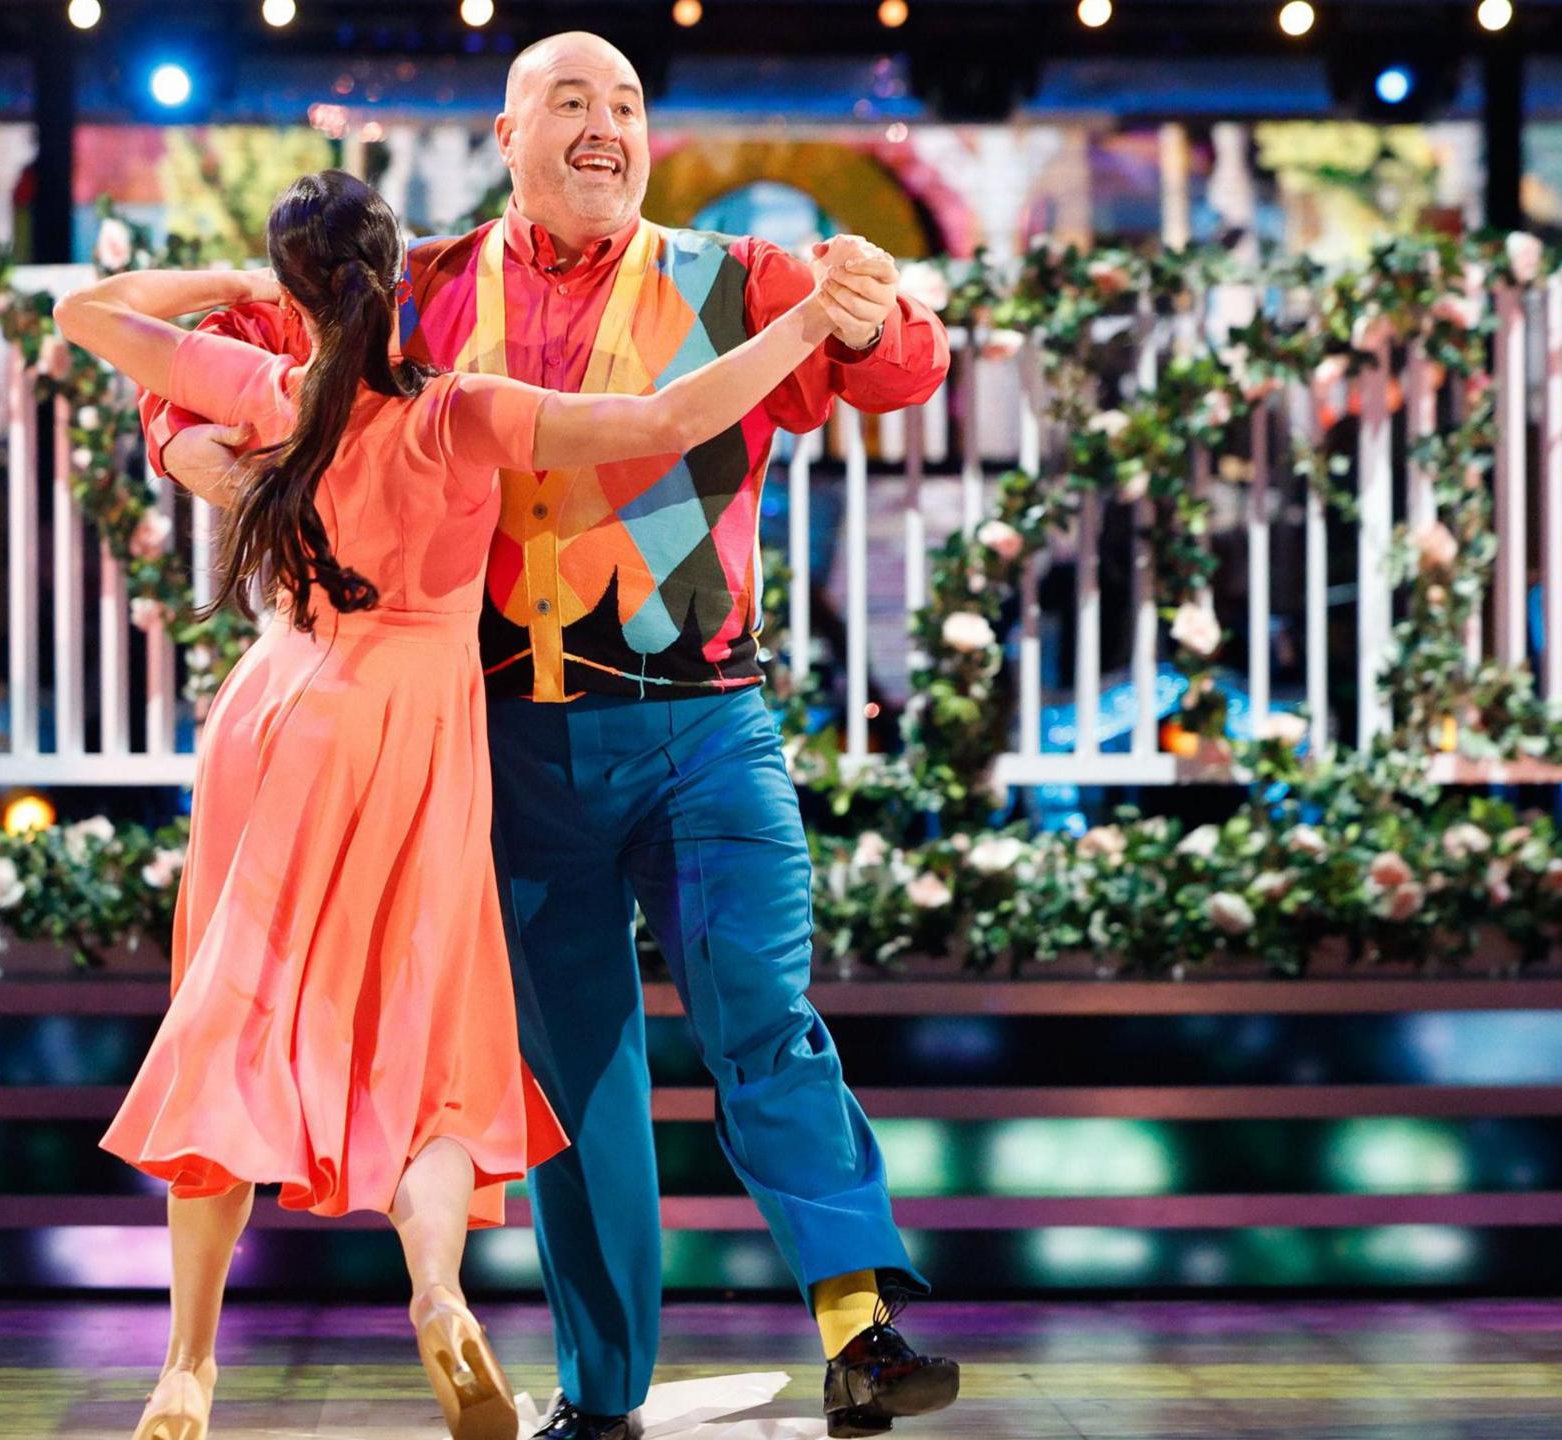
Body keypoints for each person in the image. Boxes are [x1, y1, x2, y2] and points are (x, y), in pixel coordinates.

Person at [147, 33, 959, 1440]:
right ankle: (600, 1398)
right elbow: (219, 364)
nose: (605, 127)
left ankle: (858, 1329)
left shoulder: (733, 281)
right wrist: (197, 456)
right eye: (571, 102)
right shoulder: (420, 290)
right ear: (507, 133)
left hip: (706, 725)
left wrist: (875, 306)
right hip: (513, 742)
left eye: (628, 105)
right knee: (573, 1079)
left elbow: (902, 371)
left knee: (761, 1017)